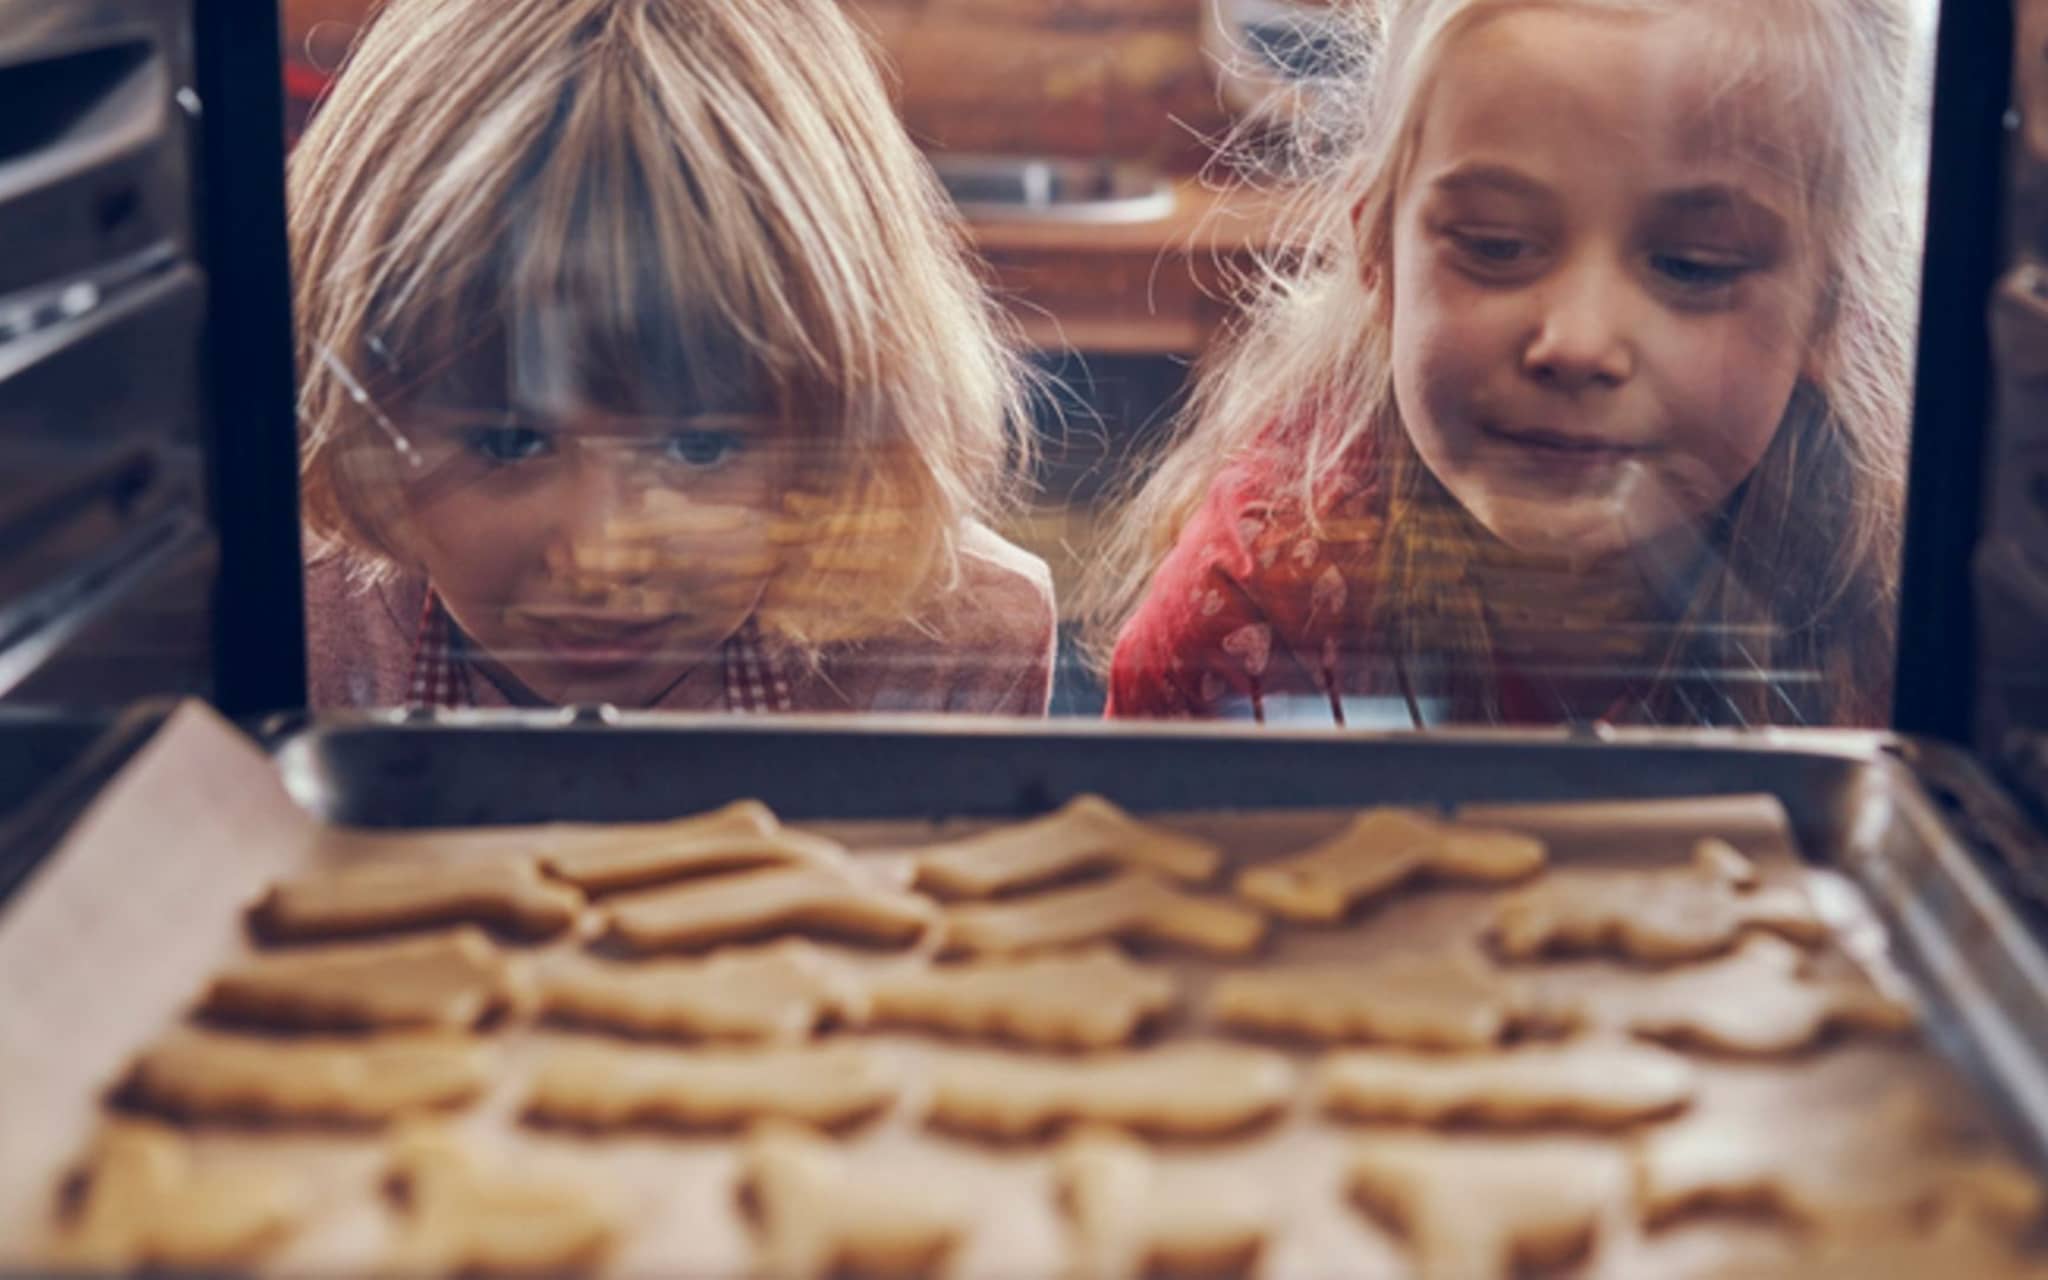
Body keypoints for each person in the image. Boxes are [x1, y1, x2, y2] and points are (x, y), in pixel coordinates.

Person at [1089, 0, 1924, 727]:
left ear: (1826, 310)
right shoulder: (1254, 606)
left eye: (1693, 266)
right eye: (1497, 245)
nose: (1577, 342)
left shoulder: (1905, 603)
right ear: (1378, 255)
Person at [293, 0, 1055, 714]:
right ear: (362, 410)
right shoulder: (281, 627)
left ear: (847, 414)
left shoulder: (960, 645)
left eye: (700, 446)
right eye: (509, 440)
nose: (600, 558)